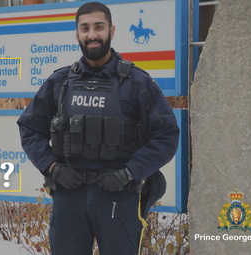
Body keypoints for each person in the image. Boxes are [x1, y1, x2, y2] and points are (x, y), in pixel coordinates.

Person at [17, 2, 179, 254]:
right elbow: (29, 129)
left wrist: (129, 173)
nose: (92, 35)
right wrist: (52, 168)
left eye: (99, 27)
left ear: (112, 31)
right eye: (85, 28)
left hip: (119, 195)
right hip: (69, 194)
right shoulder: (59, 82)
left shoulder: (137, 83)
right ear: (77, 34)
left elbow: (166, 135)